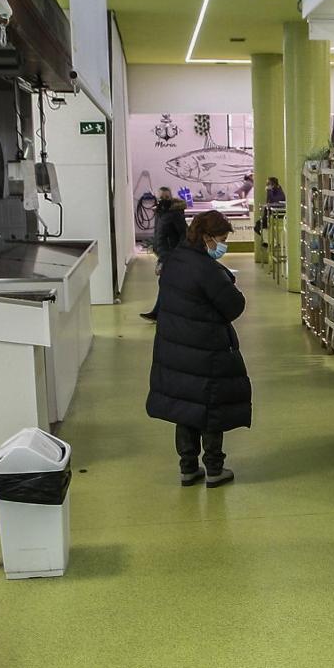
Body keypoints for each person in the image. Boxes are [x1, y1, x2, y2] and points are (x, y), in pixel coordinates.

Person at [146, 210, 251, 488]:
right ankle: (215, 469)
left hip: (175, 348)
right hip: (205, 349)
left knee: (185, 409)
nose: (223, 245)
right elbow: (233, 306)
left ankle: (188, 468)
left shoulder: (175, 260)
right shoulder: (206, 269)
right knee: (210, 409)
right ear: (206, 237)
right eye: (221, 239)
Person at [140, 187, 187, 322]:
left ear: (171, 197)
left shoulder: (175, 214)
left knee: (165, 283)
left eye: (166, 197)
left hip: (171, 255)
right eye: (161, 197)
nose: (163, 200)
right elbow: (158, 234)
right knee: (167, 283)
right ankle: (161, 312)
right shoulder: (160, 213)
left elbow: (184, 234)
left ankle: (159, 312)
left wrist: (177, 252)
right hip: (163, 254)